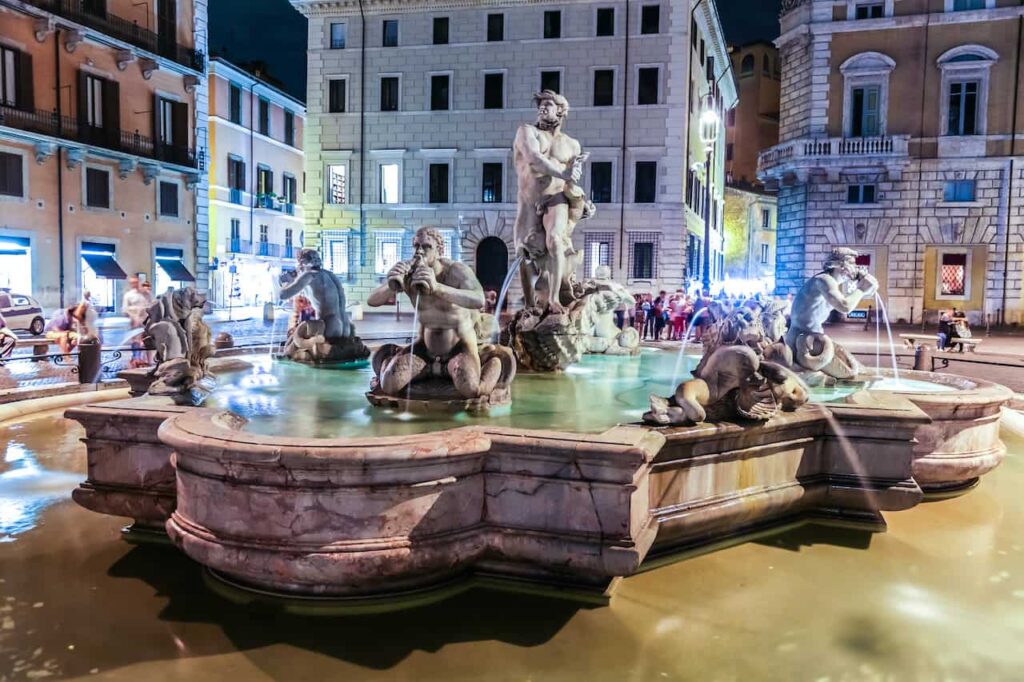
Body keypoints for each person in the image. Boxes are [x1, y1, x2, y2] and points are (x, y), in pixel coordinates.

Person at [513, 90, 596, 313]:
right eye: (541, 104)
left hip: (556, 199)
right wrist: (564, 173)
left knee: (556, 242)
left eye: (548, 104)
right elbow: (534, 158)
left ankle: (554, 299)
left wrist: (581, 201)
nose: (542, 107)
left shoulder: (572, 145)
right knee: (523, 251)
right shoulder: (526, 132)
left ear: (561, 110)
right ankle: (530, 305)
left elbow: (571, 179)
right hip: (529, 201)